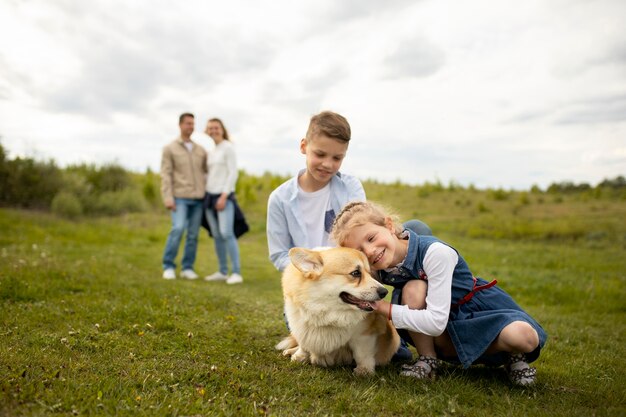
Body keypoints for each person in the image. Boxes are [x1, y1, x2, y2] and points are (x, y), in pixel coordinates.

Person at [331, 201, 547, 386]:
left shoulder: (436, 253)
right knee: (413, 289)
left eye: (371, 238)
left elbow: (436, 322)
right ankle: (428, 358)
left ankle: (511, 356)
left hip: (470, 310)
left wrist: (381, 307)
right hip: (436, 328)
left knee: (525, 338)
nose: (369, 251)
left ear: (389, 226)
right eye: (359, 250)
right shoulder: (376, 266)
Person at [266, 110, 431, 272]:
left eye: (336, 158)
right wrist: (315, 267)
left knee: (417, 228)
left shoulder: (350, 186)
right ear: (304, 146)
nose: (327, 164)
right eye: (320, 154)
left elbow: (363, 232)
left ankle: (412, 280)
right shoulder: (280, 199)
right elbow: (279, 255)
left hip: (349, 268)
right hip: (313, 275)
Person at [160, 113, 208, 280]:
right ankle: (168, 266)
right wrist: (167, 196)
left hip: (198, 199)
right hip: (179, 197)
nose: (191, 126)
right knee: (178, 228)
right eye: (188, 123)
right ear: (180, 125)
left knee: (193, 235)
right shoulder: (170, 148)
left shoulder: (200, 150)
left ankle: (187, 267)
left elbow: (207, 173)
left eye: (193, 124)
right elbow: (165, 174)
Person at [203, 118, 244, 285]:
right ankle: (222, 271)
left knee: (227, 233)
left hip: (223, 197)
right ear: (207, 131)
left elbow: (233, 173)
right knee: (217, 235)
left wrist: (224, 196)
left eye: (216, 127)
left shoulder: (228, 147)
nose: (214, 130)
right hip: (209, 196)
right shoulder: (212, 151)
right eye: (210, 128)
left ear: (222, 129)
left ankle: (236, 273)